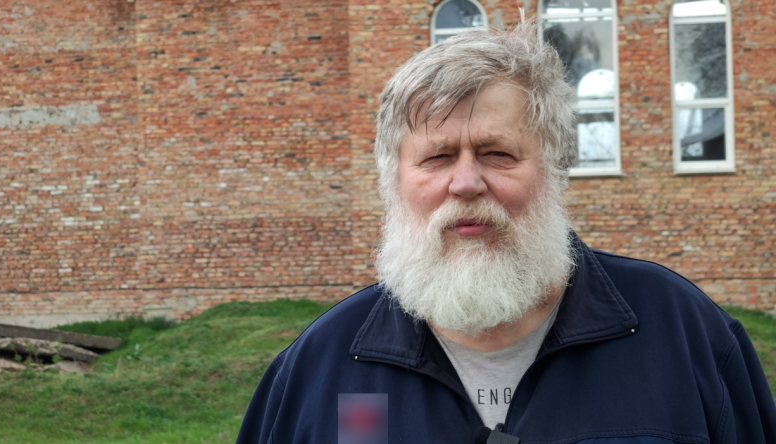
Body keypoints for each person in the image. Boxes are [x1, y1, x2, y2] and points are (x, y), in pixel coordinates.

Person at [237, 20, 776, 444]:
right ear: (393, 181)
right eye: (437, 157)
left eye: (497, 153)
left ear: (553, 168)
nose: (466, 183)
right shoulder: (319, 370)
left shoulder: (684, 336)